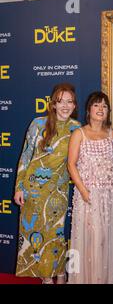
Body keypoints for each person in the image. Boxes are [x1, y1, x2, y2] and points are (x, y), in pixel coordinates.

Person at [13, 83, 80, 284]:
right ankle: (45, 278)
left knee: (55, 237)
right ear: (53, 104)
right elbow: (26, 156)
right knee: (35, 234)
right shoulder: (38, 124)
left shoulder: (76, 129)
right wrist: (19, 186)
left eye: (69, 102)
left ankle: (60, 272)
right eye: (60, 102)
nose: (65, 106)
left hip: (58, 193)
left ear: (75, 105)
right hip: (32, 191)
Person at [67, 91, 113, 284]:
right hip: (88, 197)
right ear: (88, 109)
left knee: (108, 241)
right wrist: (83, 190)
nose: (100, 109)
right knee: (90, 242)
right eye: (96, 105)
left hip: (111, 198)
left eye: (104, 106)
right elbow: (71, 164)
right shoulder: (79, 133)